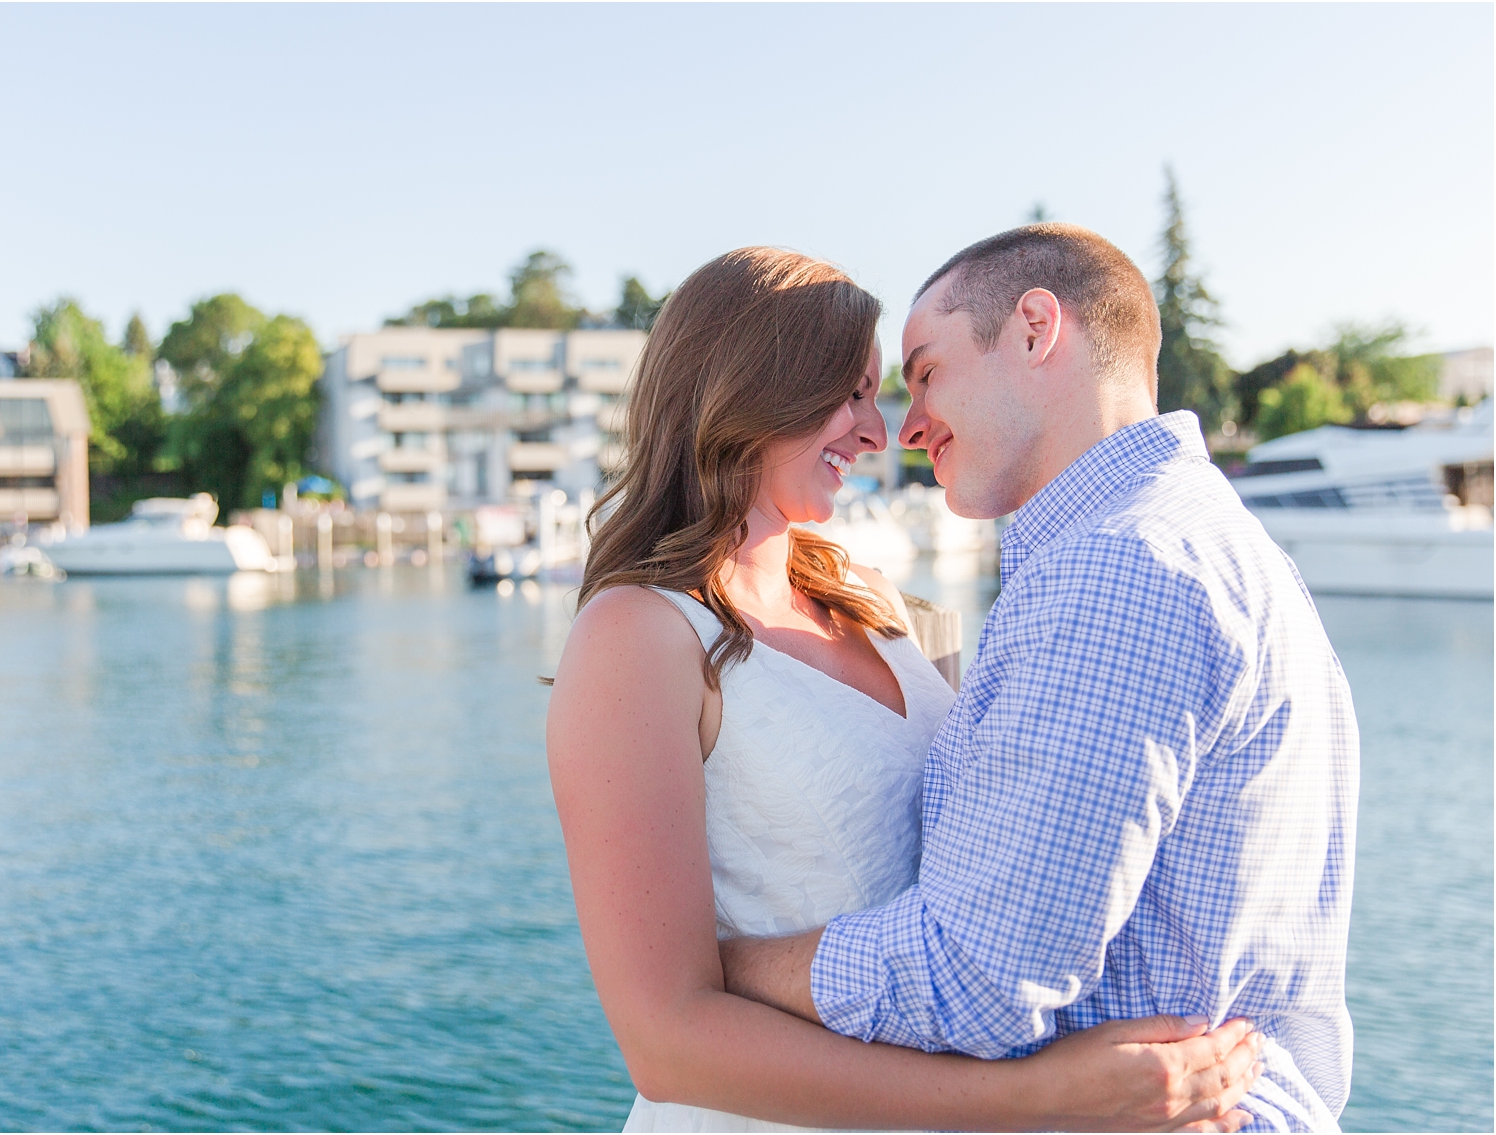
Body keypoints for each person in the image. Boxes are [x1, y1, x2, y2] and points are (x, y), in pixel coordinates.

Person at [546, 246, 1264, 1132]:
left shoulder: (881, 603)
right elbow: (665, 1041)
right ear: (746, 388)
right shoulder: (636, 635)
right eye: (848, 395)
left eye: (881, 394)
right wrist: (1037, 1102)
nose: (879, 433)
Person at [719, 226, 1358, 1132]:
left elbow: (977, 980)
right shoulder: (1214, 542)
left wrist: (724, 964)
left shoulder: (1118, 569)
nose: (906, 425)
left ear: (1033, 328)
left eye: (927, 371)